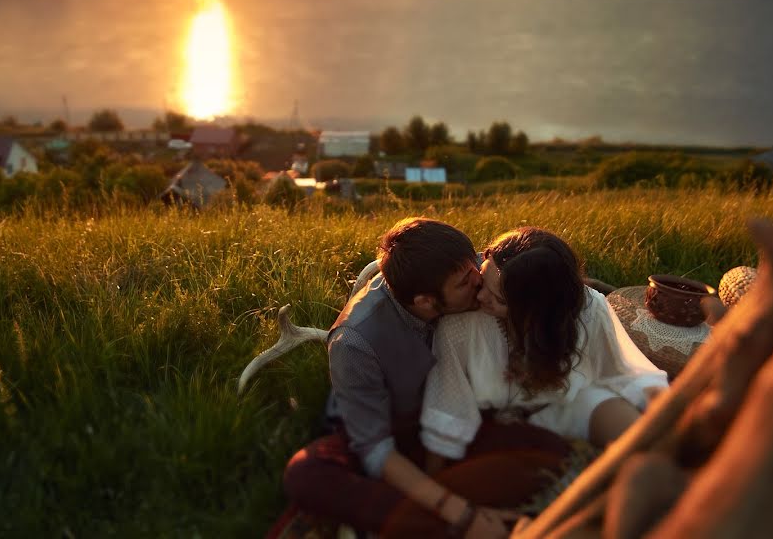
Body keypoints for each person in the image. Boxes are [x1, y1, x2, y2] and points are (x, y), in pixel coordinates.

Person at [282, 218, 570, 538]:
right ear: (425, 302)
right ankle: (462, 524)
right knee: (306, 473)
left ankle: (405, 517)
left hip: (457, 424)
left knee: (548, 450)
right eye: (464, 282)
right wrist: (460, 513)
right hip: (392, 432)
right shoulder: (355, 341)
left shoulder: (467, 272)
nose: (478, 280)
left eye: (475, 266)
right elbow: (375, 448)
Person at [420, 227, 669, 465]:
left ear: (537, 310)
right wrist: (434, 486)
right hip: (499, 425)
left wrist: (671, 417)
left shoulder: (587, 307)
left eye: (499, 300)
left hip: (567, 405)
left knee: (640, 443)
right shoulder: (459, 327)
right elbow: (447, 409)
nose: (481, 296)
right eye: (483, 277)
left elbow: (623, 372)